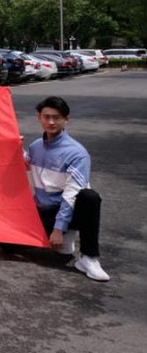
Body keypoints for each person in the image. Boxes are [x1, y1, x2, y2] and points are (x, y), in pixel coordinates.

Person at [25, 96, 109, 281]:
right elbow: (22, 164)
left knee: (89, 197)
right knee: (8, 246)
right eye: (46, 117)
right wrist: (11, 145)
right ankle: (66, 234)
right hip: (45, 210)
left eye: (56, 117)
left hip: (69, 209)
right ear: (39, 118)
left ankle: (88, 258)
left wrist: (58, 228)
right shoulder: (35, 147)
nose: (51, 122)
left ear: (66, 119)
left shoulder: (77, 153)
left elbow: (71, 194)